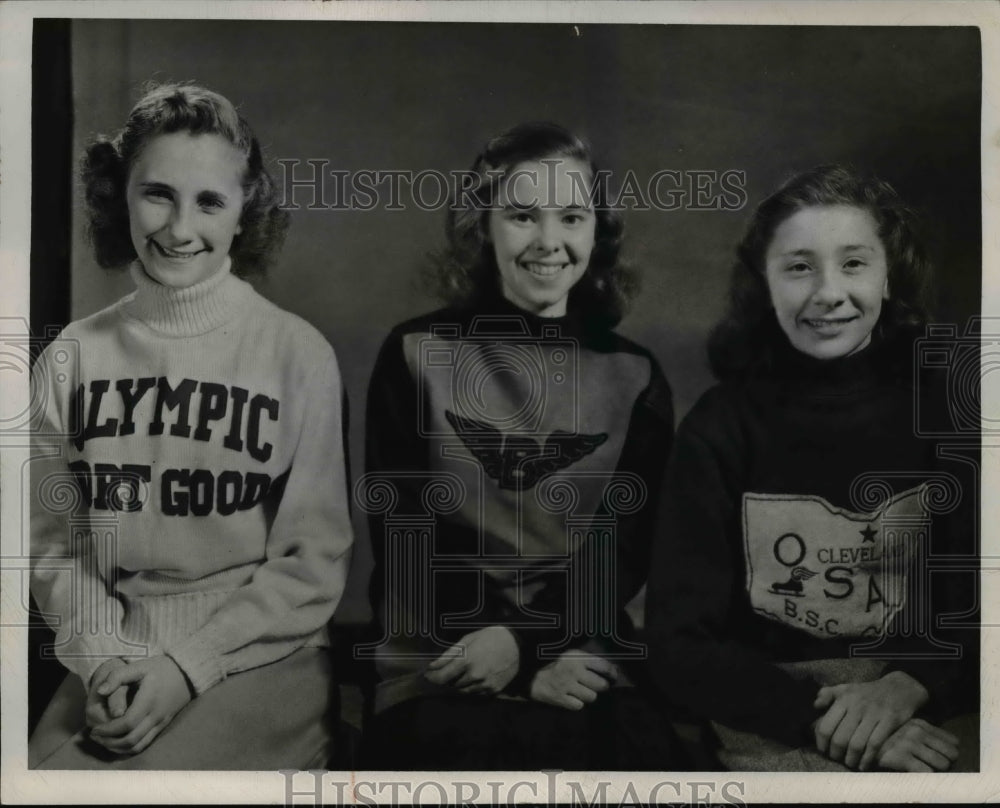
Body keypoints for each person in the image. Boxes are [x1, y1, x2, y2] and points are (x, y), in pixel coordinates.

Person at [28, 83, 353, 770]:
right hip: (116, 652)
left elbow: (310, 565)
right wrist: (102, 658)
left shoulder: (297, 354)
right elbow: (55, 550)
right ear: (119, 195)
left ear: (245, 212)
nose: (179, 228)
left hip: (262, 652)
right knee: (47, 779)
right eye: (157, 194)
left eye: (209, 201)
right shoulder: (70, 358)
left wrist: (185, 668)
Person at [360, 122, 684, 769]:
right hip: (439, 638)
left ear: (598, 230)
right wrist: (501, 656)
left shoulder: (637, 374)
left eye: (571, 216)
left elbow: (622, 551)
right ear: (484, 227)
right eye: (521, 215)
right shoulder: (414, 352)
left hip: (578, 640)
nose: (549, 241)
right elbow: (405, 536)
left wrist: (528, 643)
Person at [644, 164, 979, 772]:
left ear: (889, 275)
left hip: (926, 693)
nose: (828, 292)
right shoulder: (719, 427)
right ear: (763, 284)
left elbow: (981, 603)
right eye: (799, 266)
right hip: (771, 704)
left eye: (853, 263)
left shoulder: (951, 410)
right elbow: (678, 646)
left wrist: (909, 686)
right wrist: (824, 720)